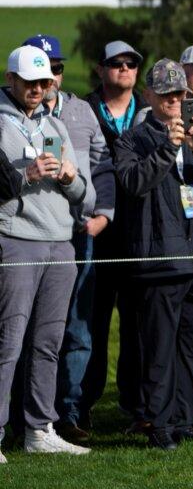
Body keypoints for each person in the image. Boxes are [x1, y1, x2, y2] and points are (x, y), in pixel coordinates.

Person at [113, 59, 193, 450]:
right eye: (165, 94)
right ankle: (158, 422)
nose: (174, 100)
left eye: (179, 94)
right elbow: (133, 182)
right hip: (161, 258)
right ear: (149, 95)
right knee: (160, 346)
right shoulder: (133, 139)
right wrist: (169, 147)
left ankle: (184, 418)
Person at [22, 34, 115, 443]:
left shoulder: (79, 112)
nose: (49, 80)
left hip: (77, 233)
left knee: (72, 328)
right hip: (24, 235)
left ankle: (66, 415)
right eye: (41, 72)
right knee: (19, 331)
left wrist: (102, 215)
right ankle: (17, 416)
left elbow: (102, 168)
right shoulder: (10, 116)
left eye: (56, 70)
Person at [0, 45, 89, 457]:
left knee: (48, 341)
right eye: (30, 82)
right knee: (9, 341)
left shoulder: (56, 123)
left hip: (60, 241)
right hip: (15, 239)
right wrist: (26, 175)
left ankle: (40, 430)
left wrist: (70, 177)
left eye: (44, 82)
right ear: (11, 79)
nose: (38, 89)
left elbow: (83, 192)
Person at [83, 40, 147, 429]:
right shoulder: (83, 110)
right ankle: (82, 404)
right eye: (116, 63)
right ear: (101, 69)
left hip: (140, 231)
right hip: (96, 230)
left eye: (131, 64)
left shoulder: (150, 109)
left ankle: (133, 402)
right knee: (91, 321)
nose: (124, 69)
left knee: (137, 323)